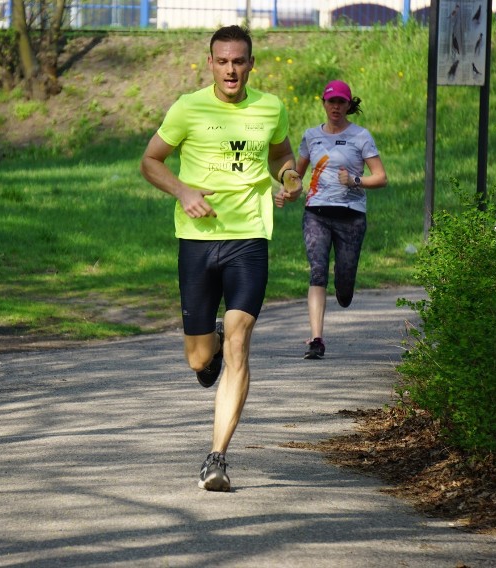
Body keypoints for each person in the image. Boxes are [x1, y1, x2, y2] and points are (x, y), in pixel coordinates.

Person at [140, 25, 303, 492]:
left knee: (239, 342)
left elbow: (281, 155)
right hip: (196, 240)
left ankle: (217, 458)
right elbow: (150, 161)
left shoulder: (270, 107)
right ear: (210, 63)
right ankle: (205, 341)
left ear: (251, 64)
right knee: (199, 360)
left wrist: (289, 176)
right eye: (223, 61)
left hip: (249, 238)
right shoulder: (188, 108)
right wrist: (182, 190)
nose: (231, 69)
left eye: (239, 61)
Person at [275, 80, 387, 360]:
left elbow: (381, 177)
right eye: (331, 101)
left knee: (344, 286)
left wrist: (355, 180)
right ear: (323, 104)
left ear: (349, 105)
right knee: (317, 271)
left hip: (351, 217)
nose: (335, 107)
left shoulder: (361, 136)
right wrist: (287, 192)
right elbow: (296, 177)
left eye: (341, 102)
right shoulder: (311, 136)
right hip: (317, 214)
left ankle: (344, 286)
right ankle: (316, 339)